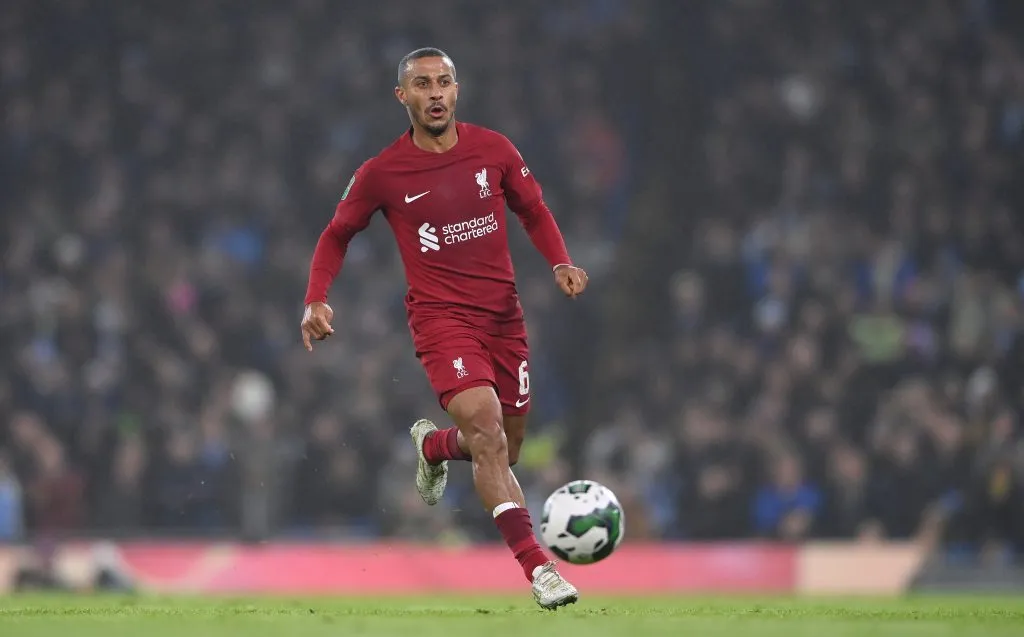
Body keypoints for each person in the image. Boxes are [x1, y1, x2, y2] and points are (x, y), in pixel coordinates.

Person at [300, 47, 588, 609]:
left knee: (507, 448)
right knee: (487, 428)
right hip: (441, 322)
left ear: (457, 90)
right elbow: (336, 234)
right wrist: (315, 298)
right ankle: (540, 570)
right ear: (402, 96)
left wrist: (559, 260)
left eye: (445, 82)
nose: (436, 93)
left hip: (504, 319)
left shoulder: (495, 150)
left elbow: (532, 208)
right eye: (423, 84)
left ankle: (433, 447)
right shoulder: (382, 172)